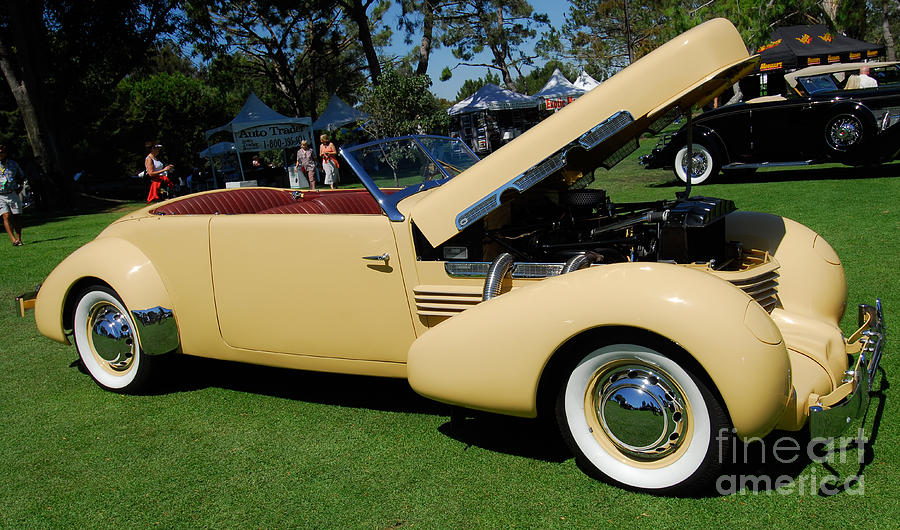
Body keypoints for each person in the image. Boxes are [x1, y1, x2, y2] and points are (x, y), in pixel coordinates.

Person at [0, 144, 24, 246]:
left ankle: (19, 239)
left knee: (16, 216)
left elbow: (21, 175)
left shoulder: (12, 164)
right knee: (6, 215)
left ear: (4, 153)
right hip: (0, 195)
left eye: (1, 152)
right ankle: (13, 239)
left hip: (12, 193)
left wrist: (20, 186)